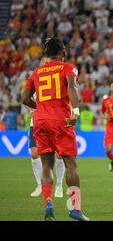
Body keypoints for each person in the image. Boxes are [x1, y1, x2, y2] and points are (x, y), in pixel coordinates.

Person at [22, 37, 89, 221]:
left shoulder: (36, 72)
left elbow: (25, 98)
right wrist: (75, 111)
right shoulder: (68, 67)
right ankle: (76, 209)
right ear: (64, 52)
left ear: (46, 53)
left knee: (46, 165)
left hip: (40, 121)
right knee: (71, 164)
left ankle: (48, 202)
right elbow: (72, 86)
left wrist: (41, 108)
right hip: (61, 121)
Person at [27, 56, 66, 198]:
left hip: (55, 120)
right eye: (43, 63)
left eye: (48, 63)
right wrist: (31, 109)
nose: (46, 65)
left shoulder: (57, 80)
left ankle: (59, 185)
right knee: (34, 153)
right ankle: (39, 185)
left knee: (59, 154)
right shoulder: (36, 77)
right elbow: (25, 97)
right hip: (37, 121)